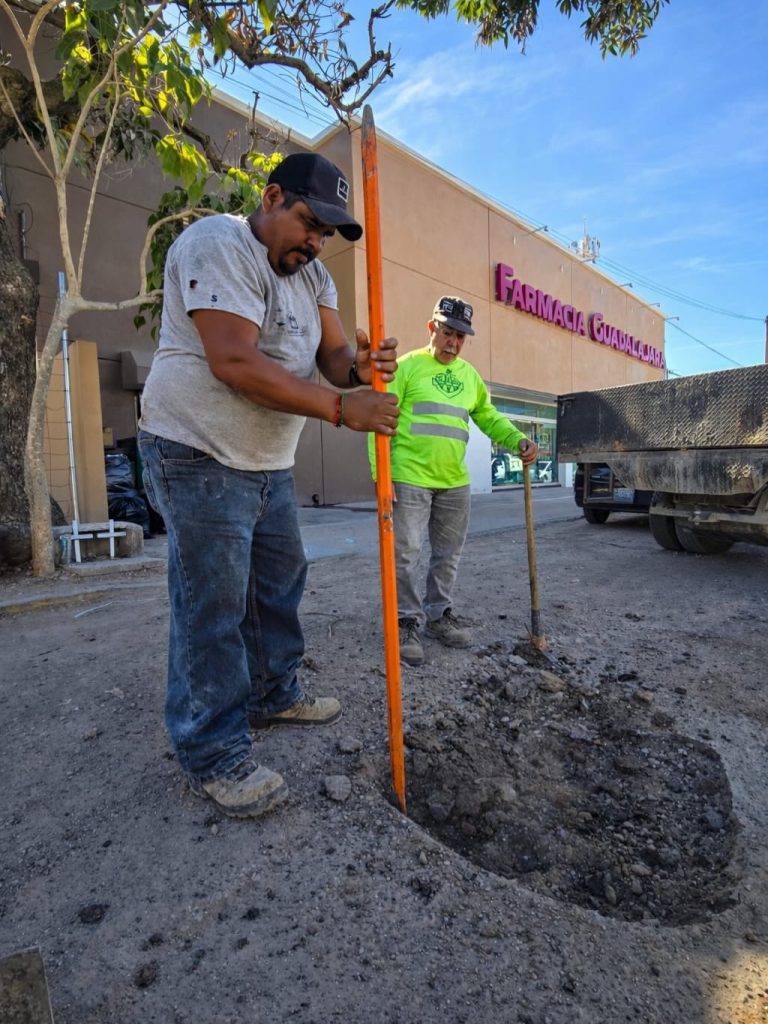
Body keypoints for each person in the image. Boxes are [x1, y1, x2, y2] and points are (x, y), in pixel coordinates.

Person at [138, 152, 399, 819]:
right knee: (213, 607)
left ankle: (272, 692)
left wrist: (360, 368)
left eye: (325, 235)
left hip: (264, 460)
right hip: (195, 448)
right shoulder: (218, 244)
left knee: (279, 585)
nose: (314, 244)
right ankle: (212, 751)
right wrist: (343, 409)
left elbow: (335, 359)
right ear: (272, 197)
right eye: (308, 223)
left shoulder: (312, 277)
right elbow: (234, 361)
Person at [374, 295, 537, 667]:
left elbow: (488, 416)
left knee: (448, 555)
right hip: (408, 477)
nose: (454, 342)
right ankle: (404, 621)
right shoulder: (406, 367)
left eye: (461, 337)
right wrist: (379, 477)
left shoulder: (469, 376)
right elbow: (379, 422)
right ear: (433, 328)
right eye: (448, 332)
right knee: (405, 553)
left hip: (453, 481)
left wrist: (517, 440)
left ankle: (438, 615)